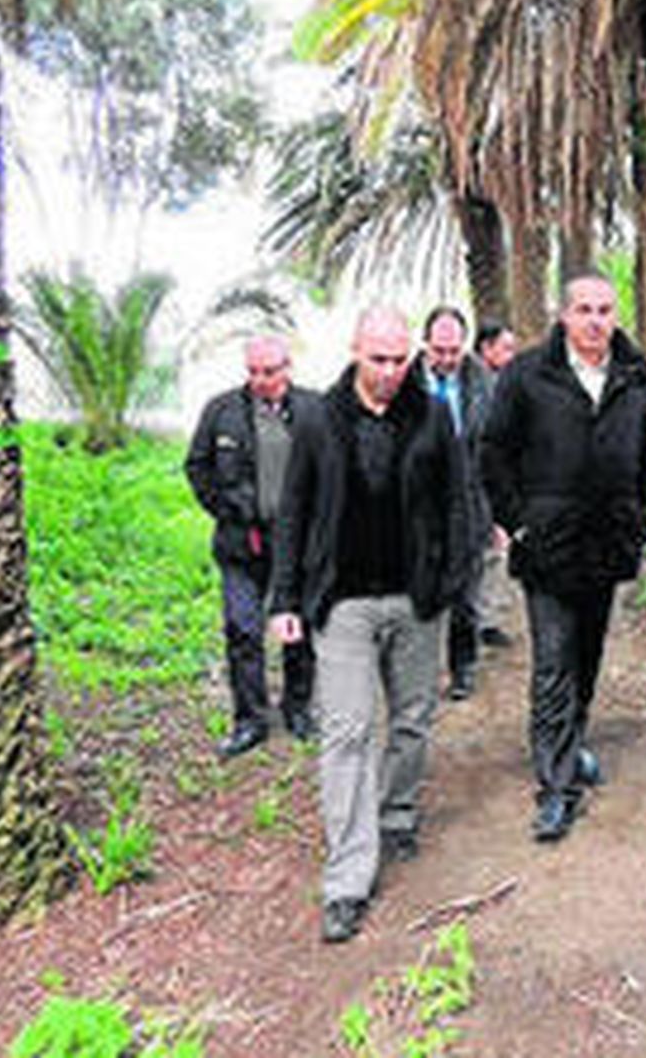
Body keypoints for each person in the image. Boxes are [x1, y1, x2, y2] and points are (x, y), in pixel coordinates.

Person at [269, 306, 469, 943]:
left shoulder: (433, 416)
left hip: (415, 600)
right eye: (377, 358)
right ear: (355, 350)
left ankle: (398, 812)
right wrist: (285, 600)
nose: (388, 371)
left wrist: (450, 585)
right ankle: (348, 879)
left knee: (411, 718)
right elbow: (294, 512)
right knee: (348, 732)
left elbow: (457, 502)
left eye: (398, 359)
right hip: (344, 604)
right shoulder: (320, 421)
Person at [481, 274, 646, 842]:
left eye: (604, 310)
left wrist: (645, 518)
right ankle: (556, 787)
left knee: (585, 660)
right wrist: (518, 521)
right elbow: (493, 450)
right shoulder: (527, 374)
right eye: (583, 309)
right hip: (548, 548)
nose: (594, 320)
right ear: (563, 315)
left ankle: (571, 742)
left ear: (616, 316)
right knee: (553, 665)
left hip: (608, 544)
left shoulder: (638, 376)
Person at [184, 336, 315, 758]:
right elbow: (196, 466)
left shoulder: (314, 409)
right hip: (241, 544)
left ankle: (298, 707)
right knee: (243, 628)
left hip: (296, 544)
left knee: (297, 628)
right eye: (253, 371)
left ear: (287, 367)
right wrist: (227, 509)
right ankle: (250, 720)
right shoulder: (222, 411)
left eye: (269, 372)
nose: (260, 380)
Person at [417, 306, 493, 700]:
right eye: (439, 350)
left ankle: (463, 668)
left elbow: (498, 450)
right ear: (425, 344)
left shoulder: (482, 381)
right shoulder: (403, 381)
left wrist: (500, 515)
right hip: (417, 510)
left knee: (465, 597)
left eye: (453, 350)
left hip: (469, 505)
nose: (446, 359)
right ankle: (419, 673)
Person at [472, 317, 518, 649]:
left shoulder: (497, 382)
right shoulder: (478, 384)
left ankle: (483, 621)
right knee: (485, 551)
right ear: (486, 348)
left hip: (489, 484)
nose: (511, 355)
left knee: (491, 552)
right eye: (506, 348)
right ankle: (478, 622)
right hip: (476, 483)